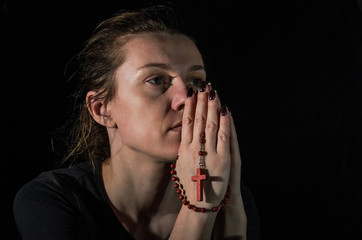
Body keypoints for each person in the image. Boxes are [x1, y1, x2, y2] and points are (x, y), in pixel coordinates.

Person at [13, 4, 260, 240]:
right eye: (156, 80)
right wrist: (199, 206)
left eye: (195, 81)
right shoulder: (52, 200)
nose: (185, 98)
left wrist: (230, 207)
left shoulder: (229, 197)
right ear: (102, 109)